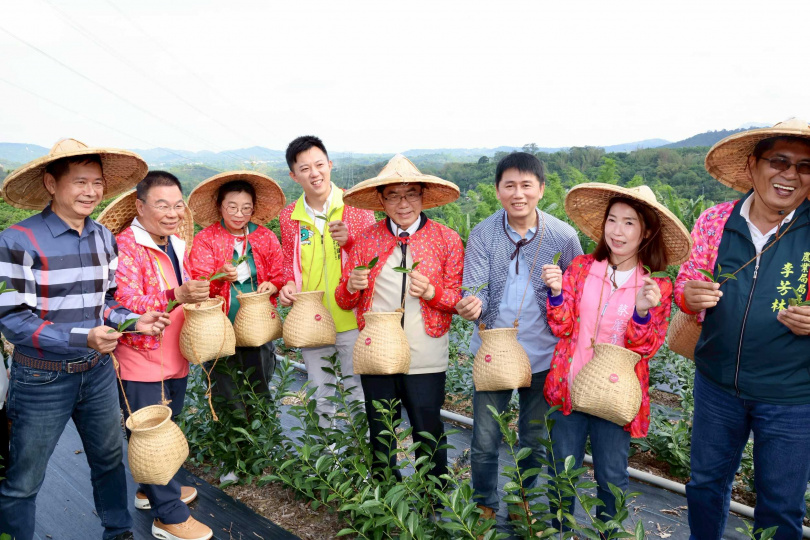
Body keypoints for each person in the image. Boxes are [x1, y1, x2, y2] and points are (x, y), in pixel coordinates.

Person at [0, 139, 170, 540]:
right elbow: (11, 318)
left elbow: (106, 302)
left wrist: (132, 321)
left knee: (109, 459)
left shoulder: (102, 237)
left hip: (96, 375)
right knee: (24, 476)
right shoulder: (17, 240)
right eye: (80, 181)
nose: (90, 191)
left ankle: (119, 531)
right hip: (41, 378)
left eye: (96, 183)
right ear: (50, 183)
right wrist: (83, 337)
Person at [675, 119, 810, 540]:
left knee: (781, 503)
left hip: (792, 396)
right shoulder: (716, 221)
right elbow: (685, 282)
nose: (790, 175)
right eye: (779, 161)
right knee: (704, 487)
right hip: (717, 387)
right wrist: (689, 295)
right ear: (753, 166)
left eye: (805, 166)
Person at [542, 183, 689, 527]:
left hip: (615, 395)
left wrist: (641, 312)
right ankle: (559, 533)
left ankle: (608, 533)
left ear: (646, 231)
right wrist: (556, 293)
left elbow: (645, 349)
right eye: (612, 220)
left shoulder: (656, 286)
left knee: (611, 476)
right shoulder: (581, 268)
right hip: (570, 386)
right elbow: (561, 328)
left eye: (629, 222)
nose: (617, 231)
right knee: (562, 472)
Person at [455, 152, 582, 524]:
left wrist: (560, 289)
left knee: (533, 438)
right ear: (498, 190)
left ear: (541, 189)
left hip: (543, 355)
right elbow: (473, 286)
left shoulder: (563, 236)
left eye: (526, 185)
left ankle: (523, 498)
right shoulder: (482, 234)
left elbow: (576, 293)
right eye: (509, 185)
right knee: (484, 439)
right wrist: (472, 305)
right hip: (493, 352)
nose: (518, 193)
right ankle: (484, 503)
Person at [336, 154, 463, 481]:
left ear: (423, 196)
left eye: (411, 194)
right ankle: (385, 499)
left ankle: (433, 500)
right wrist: (351, 285)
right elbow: (343, 297)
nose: (403, 203)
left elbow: (457, 298)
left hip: (426, 352)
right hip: (377, 350)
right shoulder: (367, 238)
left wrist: (432, 293)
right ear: (381, 200)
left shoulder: (446, 239)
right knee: (380, 429)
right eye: (393, 195)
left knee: (428, 427)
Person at [99, 172, 213, 540]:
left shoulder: (175, 243)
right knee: (153, 432)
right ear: (140, 207)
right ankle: (169, 516)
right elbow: (125, 304)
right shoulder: (125, 246)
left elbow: (182, 290)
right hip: (140, 357)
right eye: (161, 204)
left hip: (172, 352)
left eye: (177, 204)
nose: (172, 212)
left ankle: (152, 489)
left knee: (169, 423)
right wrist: (177, 293)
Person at [278, 136, 375, 428]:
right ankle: (330, 461)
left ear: (330, 165)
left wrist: (351, 242)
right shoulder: (289, 216)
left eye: (319, 164)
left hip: (353, 320)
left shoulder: (357, 209)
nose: (314, 173)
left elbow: (375, 261)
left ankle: (367, 464)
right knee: (322, 396)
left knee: (360, 394)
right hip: (312, 321)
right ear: (294, 176)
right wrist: (287, 285)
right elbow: (288, 263)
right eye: (305, 168)